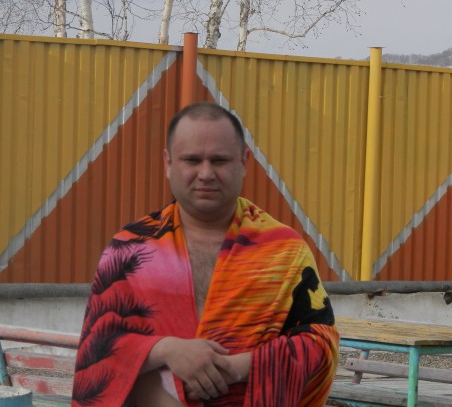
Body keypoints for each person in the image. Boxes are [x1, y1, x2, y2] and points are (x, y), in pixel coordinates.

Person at [71, 102, 339, 407]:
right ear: (168, 163)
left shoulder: (283, 250)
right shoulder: (130, 249)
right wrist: (166, 350)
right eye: (192, 160)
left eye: (220, 160)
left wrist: (238, 367)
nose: (206, 173)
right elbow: (96, 350)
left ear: (244, 162)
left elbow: (321, 344)